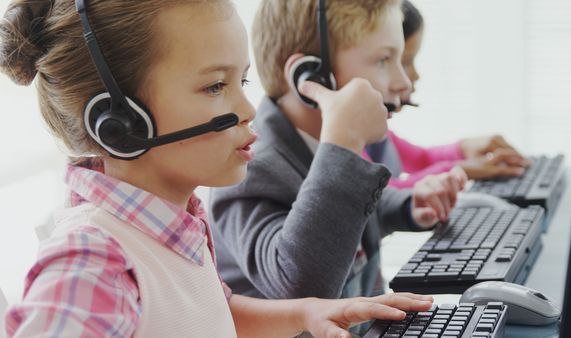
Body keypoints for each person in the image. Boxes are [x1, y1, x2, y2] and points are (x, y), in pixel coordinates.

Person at [0, 1, 434, 337]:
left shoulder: (171, 221)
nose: (247, 110)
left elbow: (210, 312)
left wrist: (308, 312)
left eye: (241, 82)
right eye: (215, 86)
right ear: (120, 123)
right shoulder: (95, 260)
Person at [209, 0, 466, 310]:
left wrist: (409, 205)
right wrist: (343, 143)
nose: (403, 83)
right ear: (311, 78)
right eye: (384, 59)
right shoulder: (251, 168)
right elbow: (300, 285)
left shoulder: (320, 149)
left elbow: (352, 215)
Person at [366, 0, 531, 189]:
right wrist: (461, 170)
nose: (412, 77)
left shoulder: (378, 134)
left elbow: (421, 159)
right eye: (405, 62)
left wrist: (464, 148)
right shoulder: (347, 142)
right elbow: (382, 196)